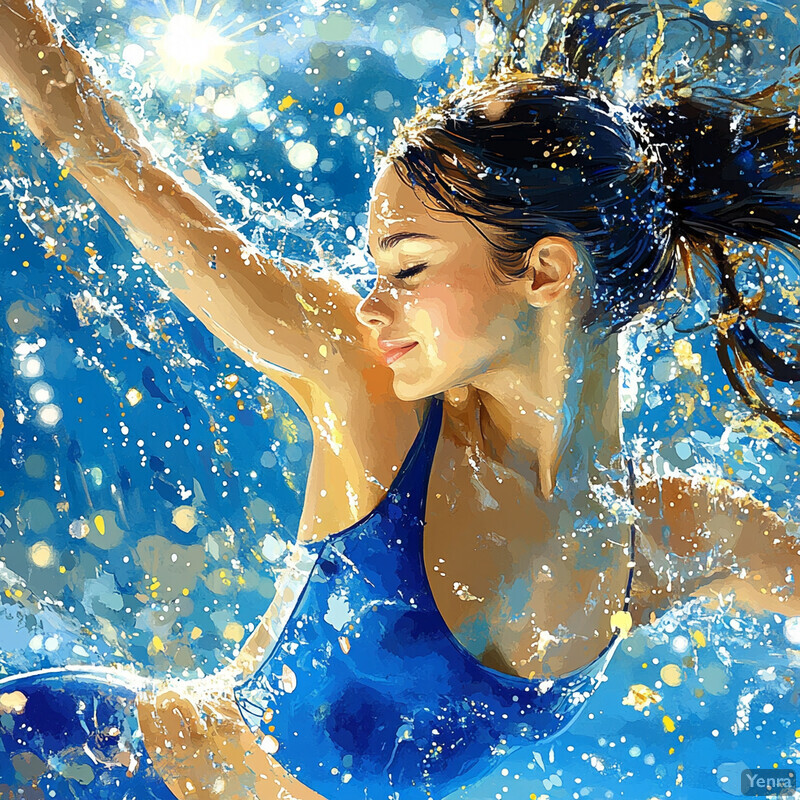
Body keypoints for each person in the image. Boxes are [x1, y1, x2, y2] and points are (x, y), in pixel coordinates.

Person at [0, 0, 799, 798]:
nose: (374, 305)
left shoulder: (678, 534)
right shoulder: (369, 393)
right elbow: (107, 153)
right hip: (76, 769)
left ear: (546, 273)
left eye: (408, 268)